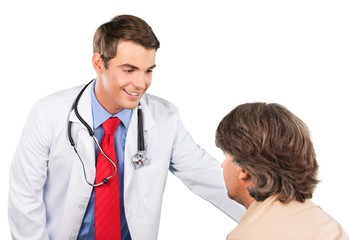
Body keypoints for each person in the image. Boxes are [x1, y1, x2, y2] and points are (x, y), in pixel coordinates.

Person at [8, 14, 245, 240]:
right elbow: (24, 198)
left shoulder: (165, 118)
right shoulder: (47, 114)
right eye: (129, 70)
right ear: (99, 63)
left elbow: (210, 178)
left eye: (148, 71)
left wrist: (270, 211)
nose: (141, 83)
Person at [215, 102, 349, 240]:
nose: (223, 165)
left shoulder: (247, 235)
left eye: (225, 155)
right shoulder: (330, 228)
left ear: (243, 168)